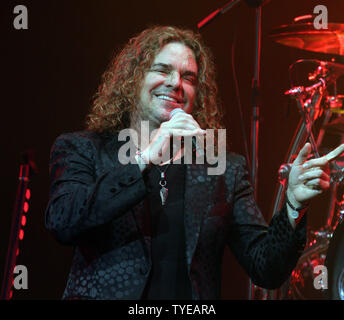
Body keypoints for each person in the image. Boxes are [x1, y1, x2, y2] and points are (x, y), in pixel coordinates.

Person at [45, 25, 344, 300]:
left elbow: (266, 268)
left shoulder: (222, 167)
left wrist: (293, 205)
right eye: (162, 70)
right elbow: (63, 221)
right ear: (133, 80)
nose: (176, 83)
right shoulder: (83, 148)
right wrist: (145, 159)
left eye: (188, 78)